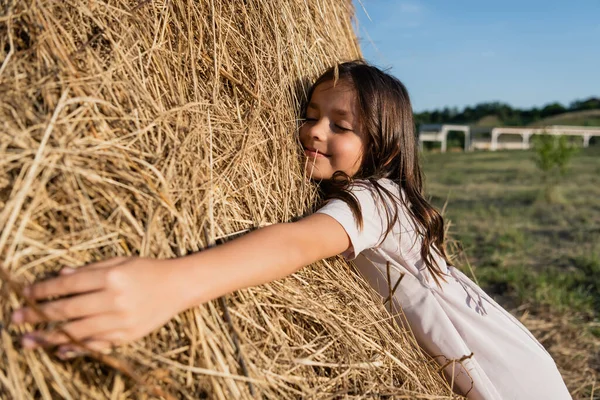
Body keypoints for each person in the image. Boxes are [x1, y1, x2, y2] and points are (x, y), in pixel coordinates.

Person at [11, 61, 570, 399]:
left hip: (508, 375)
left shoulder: (373, 198)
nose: (314, 131)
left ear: (384, 146)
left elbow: (303, 240)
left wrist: (171, 282)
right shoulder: (390, 201)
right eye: (309, 114)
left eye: (340, 126)